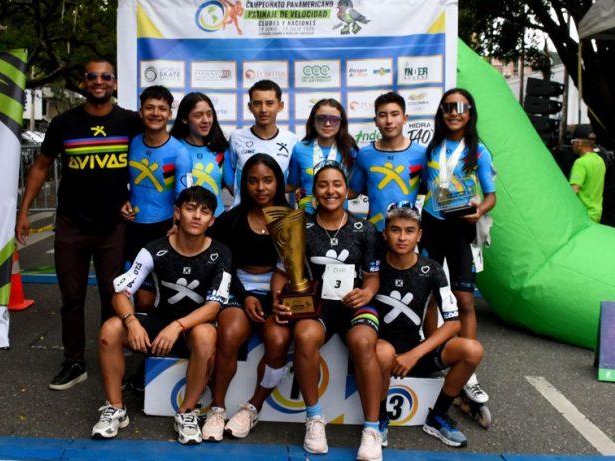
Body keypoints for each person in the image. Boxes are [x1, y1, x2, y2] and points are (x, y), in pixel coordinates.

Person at [227, 162, 383, 460]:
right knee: (305, 334)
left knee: (364, 342)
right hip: (317, 305)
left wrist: (366, 292)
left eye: (337, 184)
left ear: (347, 190)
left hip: (354, 304)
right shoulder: (300, 226)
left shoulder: (365, 229)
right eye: (322, 185)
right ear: (313, 191)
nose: (330, 191)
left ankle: (372, 429)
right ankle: (314, 418)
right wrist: (278, 297)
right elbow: (281, 273)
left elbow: (373, 276)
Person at [15, 58, 142, 391]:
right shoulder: (64, 123)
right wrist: (23, 212)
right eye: (92, 76)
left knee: (112, 296)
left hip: (113, 226)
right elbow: (41, 166)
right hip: (72, 224)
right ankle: (74, 363)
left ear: (114, 83)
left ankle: (111, 357)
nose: (99, 81)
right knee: (71, 298)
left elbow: (153, 160)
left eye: (105, 76)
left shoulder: (131, 122)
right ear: (84, 83)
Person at [92, 186, 231, 444]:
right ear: (177, 213)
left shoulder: (221, 253)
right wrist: (132, 322)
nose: (196, 216)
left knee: (205, 334)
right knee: (110, 329)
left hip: (193, 327)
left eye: (204, 212)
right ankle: (115, 408)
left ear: (212, 220)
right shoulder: (153, 250)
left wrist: (178, 326)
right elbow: (119, 293)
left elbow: (214, 306)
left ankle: (187, 413)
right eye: (190, 209)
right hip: (158, 322)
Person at [374, 202, 484, 448]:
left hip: (415, 352)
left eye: (409, 231)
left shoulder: (432, 270)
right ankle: (379, 419)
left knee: (472, 349)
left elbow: (453, 323)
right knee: (382, 351)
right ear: (385, 233)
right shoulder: (374, 266)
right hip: (380, 351)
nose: (402, 237)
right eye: (395, 230)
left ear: (419, 235)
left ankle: (438, 416)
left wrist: (414, 355)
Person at [201, 154, 289, 442]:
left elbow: (296, 268)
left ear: (278, 183)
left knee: (278, 340)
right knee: (229, 333)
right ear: (244, 184)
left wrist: (280, 297)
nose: (260, 187)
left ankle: (253, 407)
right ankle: (217, 408)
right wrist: (245, 295)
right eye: (253, 181)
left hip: (278, 291)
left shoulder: (291, 220)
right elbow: (221, 264)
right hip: (237, 287)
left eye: (267, 180)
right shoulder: (231, 220)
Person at [420, 87, 496, 402]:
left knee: (464, 299)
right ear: (441, 112)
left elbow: (491, 196)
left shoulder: (479, 150)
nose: (454, 113)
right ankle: (432, 355)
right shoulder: (432, 147)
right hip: (431, 224)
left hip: (460, 227)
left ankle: (468, 369)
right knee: (428, 295)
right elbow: (422, 186)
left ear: (470, 113)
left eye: (461, 107)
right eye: (448, 107)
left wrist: (480, 210)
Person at [120, 85, 188, 310]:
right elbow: (117, 179)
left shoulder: (180, 152)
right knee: (135, 295)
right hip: (132, 228)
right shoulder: (131, 143)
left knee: (162, 295)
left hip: (164, 229)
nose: (155, 113)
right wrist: (122, 200)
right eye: (150, 108)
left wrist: (178, 226)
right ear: (141, 112)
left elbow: (185, 197)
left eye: (162, 108)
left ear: (169, 113)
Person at [350, 92, 426, 231]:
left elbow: (431, 190)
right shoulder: (365, 155)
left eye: (395, 114)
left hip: (406, 233)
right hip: (374, 231)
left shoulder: (421, 154)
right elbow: (353, 192)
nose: (389, 120)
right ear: (376, 121)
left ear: (405, 118)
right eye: (382, 115)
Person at [222, 79, 297, 206]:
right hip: (242, 213)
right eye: (257, 103)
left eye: (269, 103)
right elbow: (229, 179)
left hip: (276, 214)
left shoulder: (291, 139)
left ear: (280, 106)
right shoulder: (236, 137)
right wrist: (242, 195)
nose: (263, 109)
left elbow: (294, 183)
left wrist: (272, 193)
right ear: (250, 107)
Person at [288, 98, 358, 214]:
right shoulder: (299, 149)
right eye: (321, 118)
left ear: (341, 123)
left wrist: (333, 198)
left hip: (338, 217)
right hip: (307, 218)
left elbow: (355, 191)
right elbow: (293, 184)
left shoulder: (350, 151)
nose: (327, 124)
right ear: (313, 122)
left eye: (334, 119)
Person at [170, 92, 230, 217]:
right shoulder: (173, 149)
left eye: (209, 114)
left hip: (218, 220)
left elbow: (233, 187)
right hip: (187, 221)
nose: (206, 120)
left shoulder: (221, 149)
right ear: (185, 119)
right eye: (198, 115)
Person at [570, 134, 605, 222]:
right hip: (596, 213)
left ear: (579, 143)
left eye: (573, 141)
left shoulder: (580, 163)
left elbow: (574, 189)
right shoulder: (600, 160)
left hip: (583, 214)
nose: (572, 145)